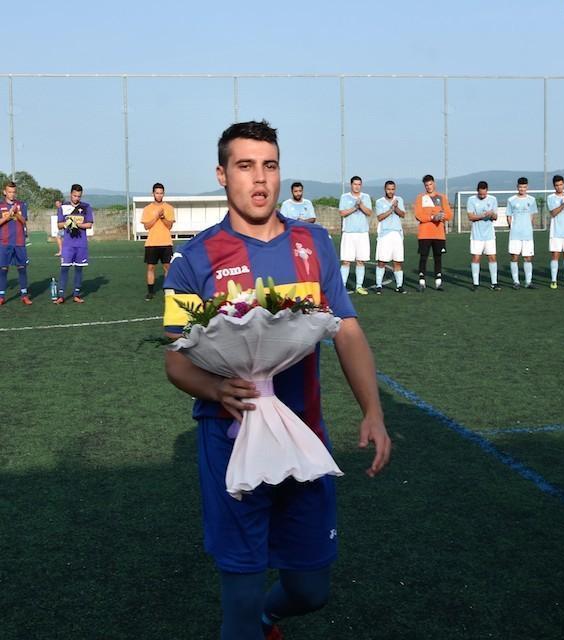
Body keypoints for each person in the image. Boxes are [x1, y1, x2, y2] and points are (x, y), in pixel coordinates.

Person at [163, 120, 391, 640]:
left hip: (304, 437)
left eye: (269, 165)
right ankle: (251, 621)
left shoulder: (313, 242)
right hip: (230, 443)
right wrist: (217, 389)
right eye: (245, 166)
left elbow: (347, 330)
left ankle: (272, 615)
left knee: (312, 589)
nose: (259, 179)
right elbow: (176, 361)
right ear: (222, 175)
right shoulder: (194, 259)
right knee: (240, 603)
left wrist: (373, 412)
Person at [413, 174, 453, 291]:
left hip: (439, 234)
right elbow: (418, 215)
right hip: (424, 234)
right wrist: (432, 217)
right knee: (423, 257)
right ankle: (421, 282)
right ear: (424, 186)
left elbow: (449, 214)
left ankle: (438, 282)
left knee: (438, 257)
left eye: (430, 184)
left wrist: (442, 216)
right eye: (426, 185)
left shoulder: (442, 197)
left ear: (434, 184)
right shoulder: (420, 197)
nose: (429, 187)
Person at [55, 184, 94, 304]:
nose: (76, 198)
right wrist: (68, 223)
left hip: (81, 244)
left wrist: (78, 225)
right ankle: (61, 296)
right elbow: (59, 225)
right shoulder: (63, 207)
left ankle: (76, 294)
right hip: (67, 245)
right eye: (74, 195)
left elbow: (89, 224)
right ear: (70, 194)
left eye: (79, 196)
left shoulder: (86, 207)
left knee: (78, 270)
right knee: (64, 269)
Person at [141, 182, 175, 301]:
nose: (159, 195)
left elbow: (169, 226)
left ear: (163, 194)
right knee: (151, 268)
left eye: (161, 193)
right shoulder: (147, 209)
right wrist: (156, 217)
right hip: (152, 243)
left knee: (168, 267)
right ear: (153, 194)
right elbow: (146, 226)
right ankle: (150, 292)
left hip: (166, 243)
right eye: (157, 193)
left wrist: (163, 217)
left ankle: (169, 290)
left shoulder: (169, 208)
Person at [338, 176, 372, 295]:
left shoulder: (366, 197)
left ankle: (359, 286)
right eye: (355, 184)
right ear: (351, 185)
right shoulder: (345, 197)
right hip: (349, 233)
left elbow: (369, 212)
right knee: (346, 261)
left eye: (359, 184)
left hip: (362, 233)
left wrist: (361, 205)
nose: (357, 186)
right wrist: (354, 207)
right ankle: (342, 286)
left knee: (360, 260)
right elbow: (342, 212)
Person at [0, 181, 32, 305]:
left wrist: (16, 213)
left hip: (19, 242)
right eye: (9, 192)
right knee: (3, 269)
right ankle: (1, 296)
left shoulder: (22, 204)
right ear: (4, 192)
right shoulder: (0, 205)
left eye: (14, 192)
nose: (12, 194)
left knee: (22, 268)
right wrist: (8, 216)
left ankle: (24, 295)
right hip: (4, 242)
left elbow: (24, 221)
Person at [466, 180, 500, 291]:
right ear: (477, 191)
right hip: (476, 235)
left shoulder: (493, 199)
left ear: (487, 191)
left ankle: (494, 283)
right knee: (476, 257)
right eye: (480, 194)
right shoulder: (471, 200)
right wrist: (483, 215)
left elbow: (495, 217)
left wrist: (491, 214)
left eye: (484, 194)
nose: (482, 196)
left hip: (489, 235)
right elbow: (471, 217)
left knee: (492, 257)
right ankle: (475, 283)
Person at [373, 180, 406, 294]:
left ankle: (399, 285)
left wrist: (396, 208)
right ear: (385, 189)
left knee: (398, 261)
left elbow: (402, 214)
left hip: (397, 234)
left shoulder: (399, 200)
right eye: (388, 189)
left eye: (392, 189)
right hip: (384, 234)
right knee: (382, 261)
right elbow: (380, 217)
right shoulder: (379, 202)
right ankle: (378, 285)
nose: (390, 191)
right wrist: (391, 209)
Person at [506, 176, 537, 289]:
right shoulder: (511, 200)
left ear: (527, 187)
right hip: (515, 234)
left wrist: (528, 227)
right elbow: (509, 216)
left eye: (524, 187)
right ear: (517, 187)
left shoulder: (531, 200)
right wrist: (512, 227)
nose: (522, 189)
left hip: (527, 234)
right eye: (520, 187)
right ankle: (516, 282)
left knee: (528, 258)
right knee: (514, 257)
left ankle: (528, 282)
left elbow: (532, 216)